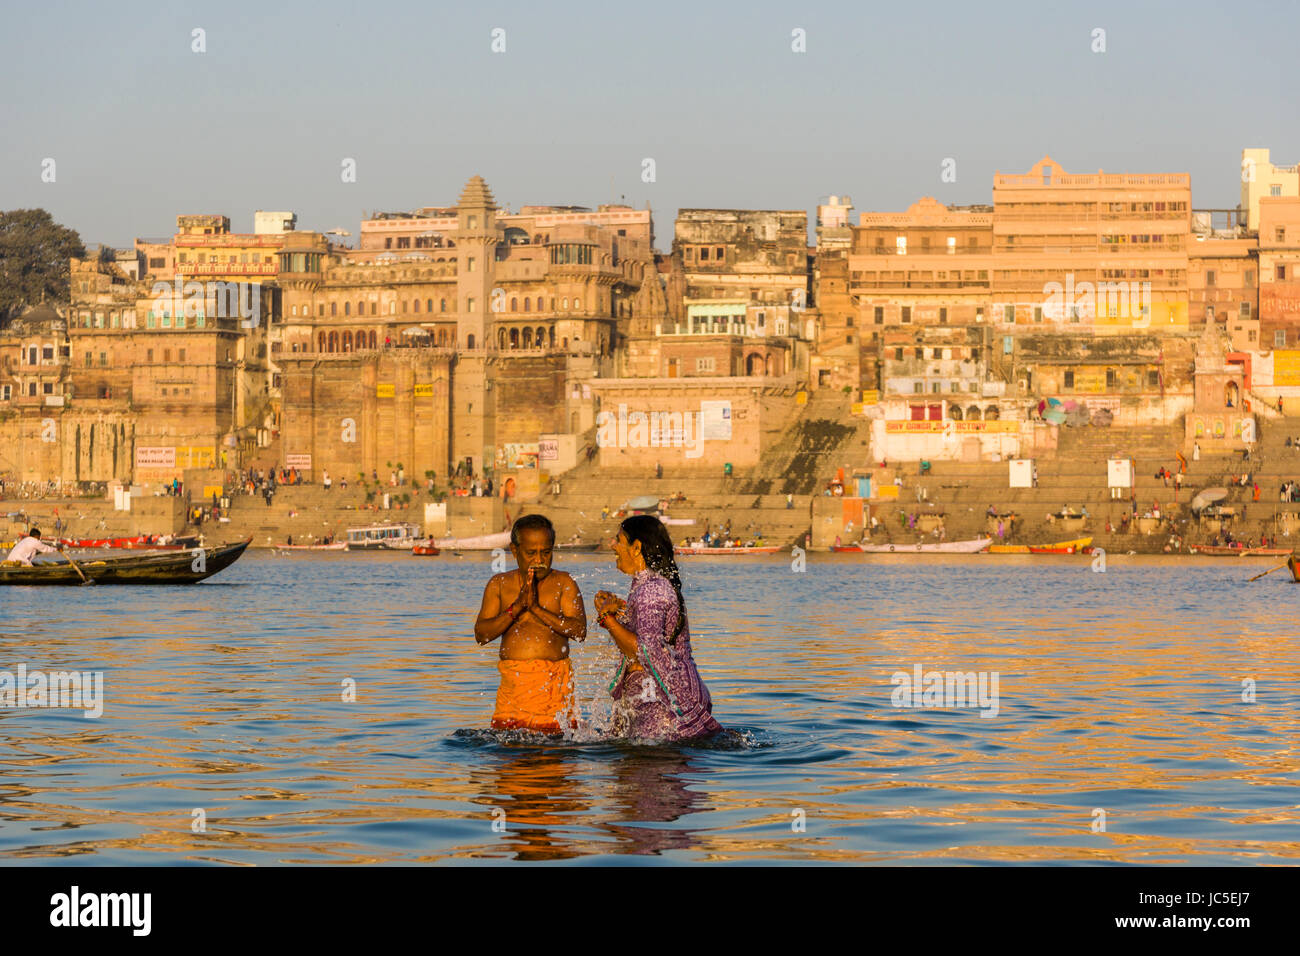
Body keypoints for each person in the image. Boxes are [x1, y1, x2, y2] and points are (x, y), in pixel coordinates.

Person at [596, 515, 722, 741]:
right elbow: (648, 633)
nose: (612, 546)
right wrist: (618, 612)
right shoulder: (647, 585)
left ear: (636, 547)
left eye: (618, 540)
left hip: (664, 701)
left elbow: (644, 649)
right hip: (656, 697)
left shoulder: (651, 590)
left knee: (653, 770)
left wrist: (608, 618)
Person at [474, 514, 586, 734]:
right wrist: (517, 608)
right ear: (514, 551)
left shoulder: (563, 583)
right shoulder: (499, 585)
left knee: (552, 759)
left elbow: (579, 631)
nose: (539, 560)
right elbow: (481, 635)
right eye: (530, 553)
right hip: (512, 694)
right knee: (510, 761)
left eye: (546, 552)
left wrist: (536, 609)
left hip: (552, 693)